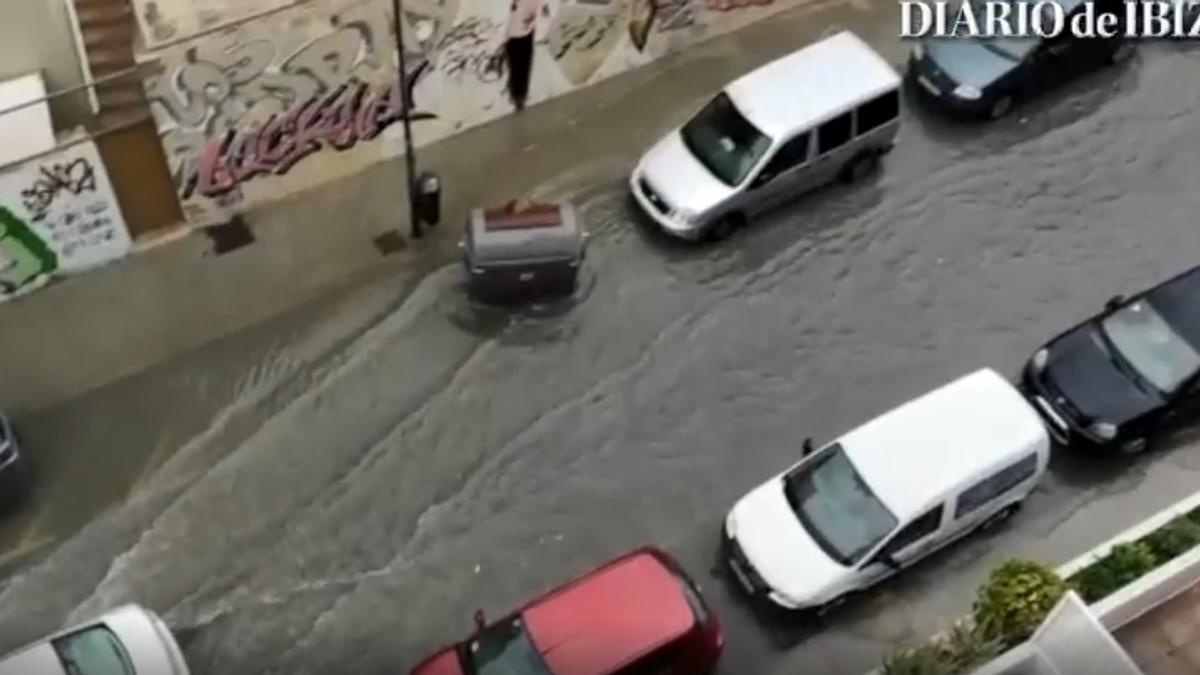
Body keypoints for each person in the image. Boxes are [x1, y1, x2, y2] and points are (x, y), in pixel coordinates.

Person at [503, 0, 542, 111]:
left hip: (521, 31)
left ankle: (519, 95)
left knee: (521, 63)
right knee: (519, 63)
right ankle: (518, 95)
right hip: (515, 32)